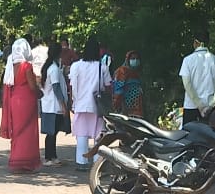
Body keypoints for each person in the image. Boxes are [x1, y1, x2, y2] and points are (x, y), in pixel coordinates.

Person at [0, 38, 42, 172]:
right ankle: (27, 162)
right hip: (26, 100)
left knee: (17, 131)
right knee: (28, 131)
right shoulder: (26, 66)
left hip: (14, 99)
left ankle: (16, 160)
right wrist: (40, 93)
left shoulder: (10, 66)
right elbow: (32, 86)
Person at [68, 35, 111, 167]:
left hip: (80, 104)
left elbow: (71, 85)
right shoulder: (101, 67)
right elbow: (108, 85)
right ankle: (97, 162)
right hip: (97, 105)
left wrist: (72, 101)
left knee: (81, 134)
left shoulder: (76, 66)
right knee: (98, 135)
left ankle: (81, 161)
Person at [179, 31, 215, 125]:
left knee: (189, 138)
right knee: (211, 138)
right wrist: (212, 104)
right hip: (211, 107)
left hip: (191, 106)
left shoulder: (187, 60)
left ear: (195, 42)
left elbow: (187, 85)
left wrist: (199, 105)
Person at [40, 42, 71, 164]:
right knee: (51, 133)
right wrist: (63, 105)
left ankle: (53, 156)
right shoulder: (53, 69)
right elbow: (56, 87)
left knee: (54, 132)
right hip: (53, 105)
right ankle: (48, 157)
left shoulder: (53, 67)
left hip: (51, 105)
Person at [112, 50, 145, 117]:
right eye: (133, 59)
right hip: (125, 108)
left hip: (138, 107)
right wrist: (116, 105)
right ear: (128, 60)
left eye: (137, 59)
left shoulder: (137, 73)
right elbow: (118, 90)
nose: (135, 61)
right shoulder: (121, 71)